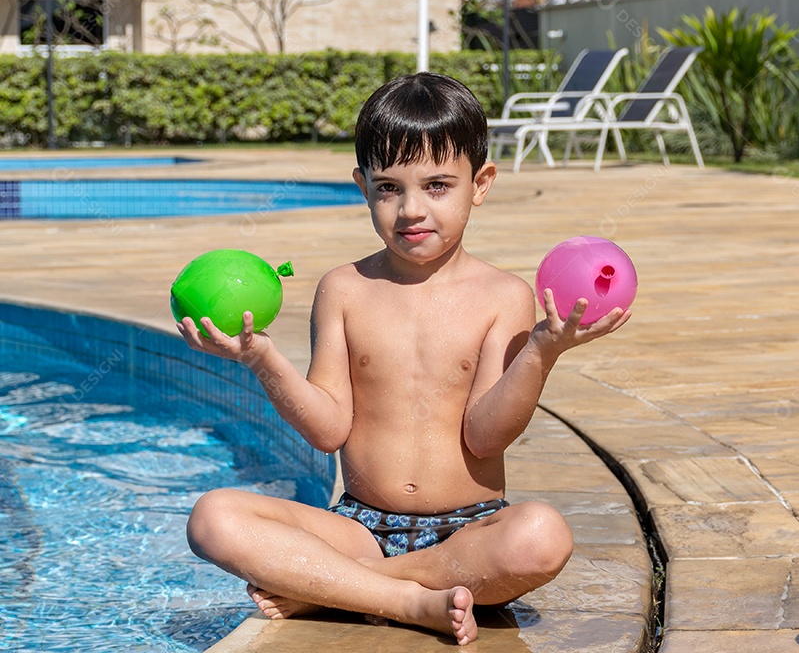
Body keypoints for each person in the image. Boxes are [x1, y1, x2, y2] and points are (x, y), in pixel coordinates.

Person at [176, 72, 631, 647]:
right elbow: (328, 429)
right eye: (389, 188)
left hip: (465, 537)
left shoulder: (505, 296)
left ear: (480, 183)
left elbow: (486, 437)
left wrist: (543, 349)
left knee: (540, 535)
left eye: (438, 185)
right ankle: (407, 600)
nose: (411, 209)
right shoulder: (344, 289)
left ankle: (336, 590)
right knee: (213, 516)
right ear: (362, 186)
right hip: (359, 526)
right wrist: (264, 360)